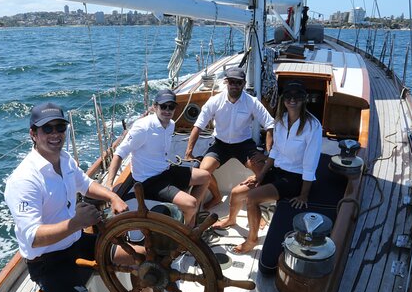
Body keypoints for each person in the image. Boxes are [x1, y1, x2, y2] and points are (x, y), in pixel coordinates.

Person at [4, 102, 132, 292]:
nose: (55, 133)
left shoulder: (64, 159)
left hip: (75, 241)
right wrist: (76, 223)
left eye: (60, 126)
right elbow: (33, 238)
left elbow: (84, 184)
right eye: (47, 128)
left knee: (136, 257)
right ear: (33, 133)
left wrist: (112, 197)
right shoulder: (24, 180)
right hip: (47, 261)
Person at [216, 81, 322, 254]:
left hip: (294, 179)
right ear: (283, 99)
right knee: (236, 193)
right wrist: (260, 176)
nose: (292, 99)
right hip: (277, 172)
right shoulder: (280, 121)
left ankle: (252, 239)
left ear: (304, 99)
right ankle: (231, 220)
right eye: (288, 96)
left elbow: (310, 164)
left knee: (252, 198)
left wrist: (304, 195)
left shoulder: (312, 126)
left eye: (297, 96)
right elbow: (274, 153)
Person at [106, 89, 210, 226]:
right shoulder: (143, 128)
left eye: (171, 107)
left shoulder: (171, 124)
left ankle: (190, 217)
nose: (167, 110)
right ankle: (186, 231)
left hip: (165, 170)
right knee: (191, 203)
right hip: (149, 181)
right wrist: (109, 183)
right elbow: (119, 153)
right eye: (163, 106)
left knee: (206, 176)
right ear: (155, 107)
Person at [183, 66, 274, 209]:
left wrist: (267, 155)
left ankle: (256, 205)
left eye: (238, 82)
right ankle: (216, 197)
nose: (235, 85)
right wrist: (189, 153)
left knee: (262, 171)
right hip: (220, 145)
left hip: (244, 145)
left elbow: (270, 125)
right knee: (203, 171)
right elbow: (198, 126)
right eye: (231, 82)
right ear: (226, 82)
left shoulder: (252, 102)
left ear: (244, 84)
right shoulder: (215, 101)